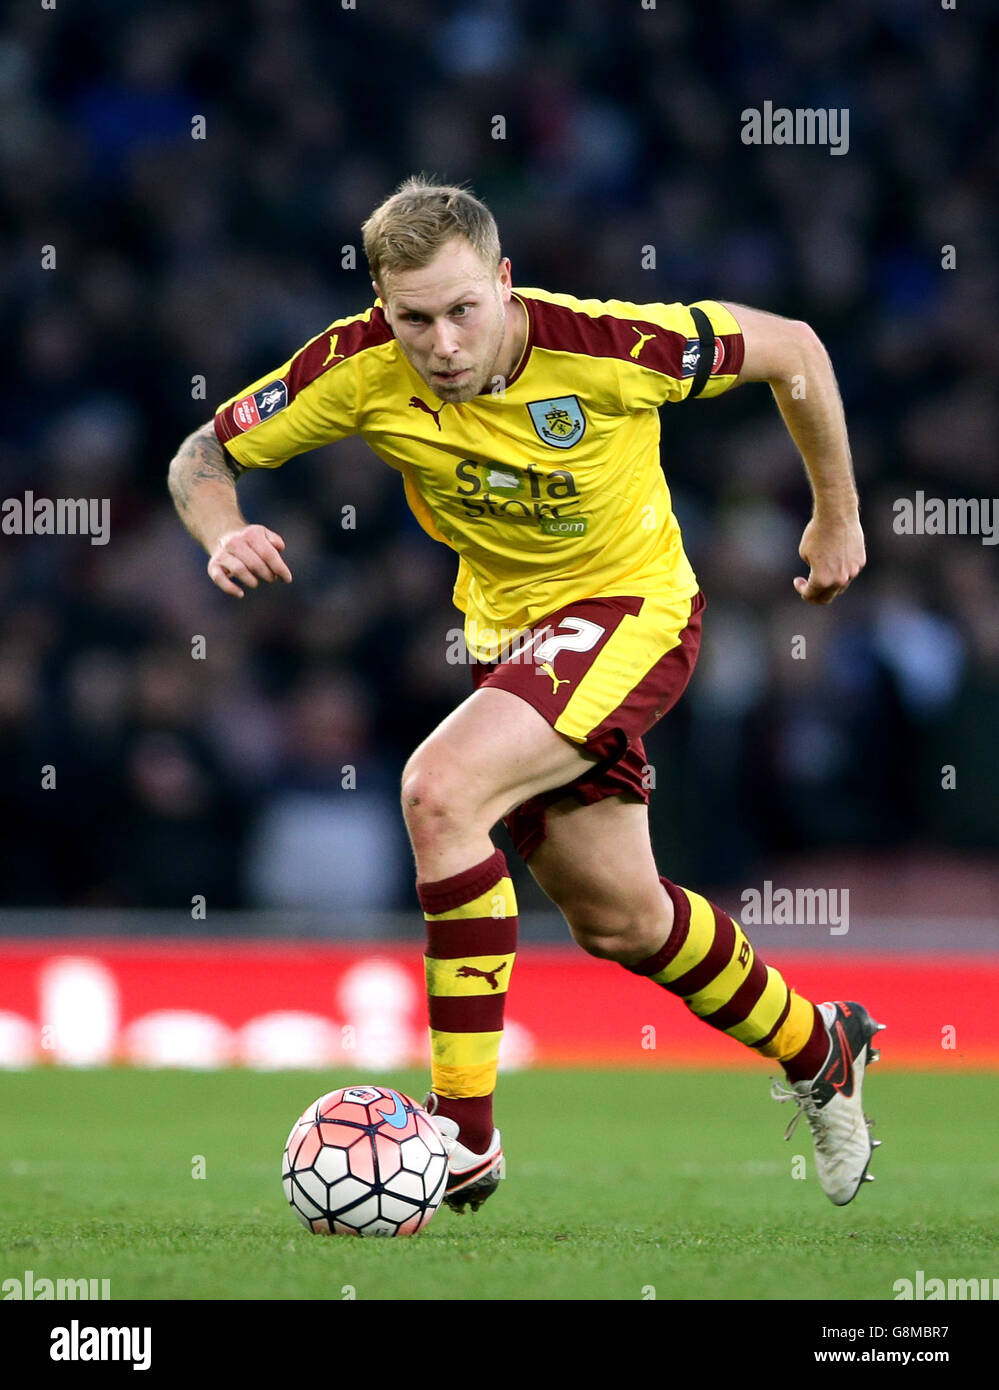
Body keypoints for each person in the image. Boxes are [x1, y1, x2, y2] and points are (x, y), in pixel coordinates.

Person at [168, 176, 882, 1214]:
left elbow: (798, 349)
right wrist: (221, 531)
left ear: (503, 284)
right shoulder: (354, 368)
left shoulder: (607, 346)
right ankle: (823, 1047)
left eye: (464, 309)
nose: (444, 342)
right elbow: (203, 455)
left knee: (438, 790)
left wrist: (835, 515)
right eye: (414, 319)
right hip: (507, 641)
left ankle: (461, 1141)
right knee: (623, 920)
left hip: (634, 610)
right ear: (383, 311)